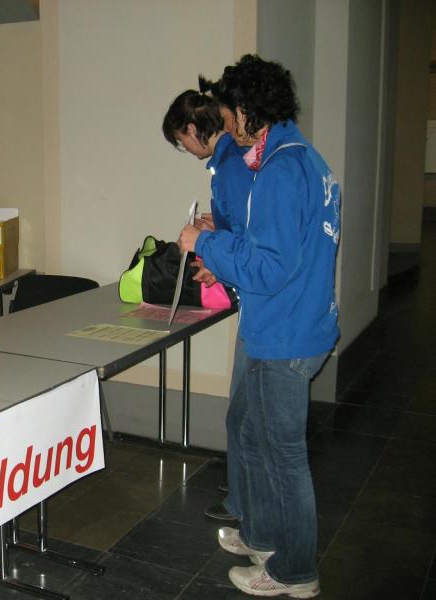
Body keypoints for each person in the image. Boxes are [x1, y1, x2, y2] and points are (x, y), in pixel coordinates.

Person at [178, 54, 340, 598]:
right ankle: (264, 536)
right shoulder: (301, 159)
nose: (225, 127)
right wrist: (222, 250)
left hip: (284, 332)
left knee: (282, 457)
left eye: (228, 116)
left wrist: (203, 242)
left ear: (247, 111)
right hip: (291, 321)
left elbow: (270, 268)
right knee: (251, 431)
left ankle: (295, 571)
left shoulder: (279, 172)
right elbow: (279, 249)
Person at [163, 86, 252, 523]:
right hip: (253, 298)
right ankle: (243, 494)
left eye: (182, 140)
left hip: (262, 311)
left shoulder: (232, 166)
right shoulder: (228, 163)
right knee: (243, 414)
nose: (185, 148)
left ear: (193, 128)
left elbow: (252, 242)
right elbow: (241, 230)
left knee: (244, 415)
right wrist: (216, 246)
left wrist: (206, 244)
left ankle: (244, 504)